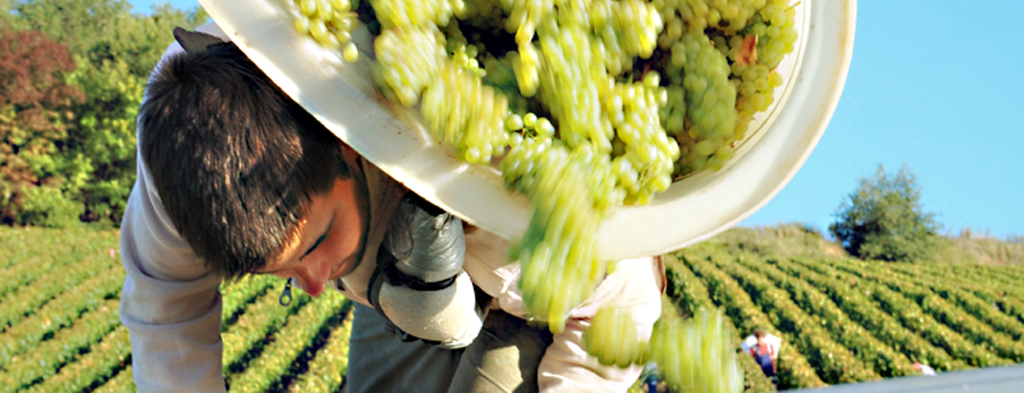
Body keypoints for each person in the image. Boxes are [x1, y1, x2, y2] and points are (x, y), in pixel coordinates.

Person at [119, 21, 665, 392]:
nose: (310, 286)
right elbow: (165, 306)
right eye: (277, 272)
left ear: (345, 143)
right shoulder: (182, 154)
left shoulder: (494, 152)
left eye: (315, 243)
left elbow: (619, 306)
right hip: (395, 260)